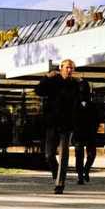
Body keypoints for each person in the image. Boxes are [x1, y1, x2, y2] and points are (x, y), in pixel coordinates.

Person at [35, 59, 80, 194]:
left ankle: (60, 183)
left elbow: (77, 104)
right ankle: (55, 172)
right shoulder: (53, 81)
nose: (69, 70)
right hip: (52, 124)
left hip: (67, 126)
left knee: (64, 155)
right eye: (67, 67)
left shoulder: (75, 84)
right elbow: (38, 91)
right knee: (49, 154)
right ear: (61, 68)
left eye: (71, 68)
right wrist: (46, 77)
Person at [74, 78, 99, 185]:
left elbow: (96, 118)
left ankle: (86, 170)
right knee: (79, 155)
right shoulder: (75, 103)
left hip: (90, 132)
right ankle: (80, 175)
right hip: (79, 132)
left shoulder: (92, 103)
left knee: (91, 154)